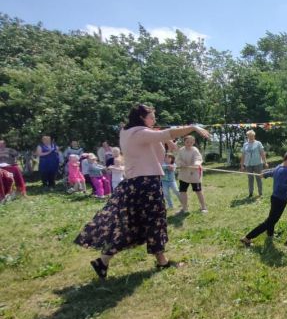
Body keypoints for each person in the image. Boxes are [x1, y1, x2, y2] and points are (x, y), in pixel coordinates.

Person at [74, 104, 210, 279]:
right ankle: (162, 261)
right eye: (151, 117)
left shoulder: (127, 131)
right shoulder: (140, 133)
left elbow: (162, 147)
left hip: (134, 183)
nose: (154, 120)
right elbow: (165, 134)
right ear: (141, 118)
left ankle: (103, 261)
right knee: (155, 221)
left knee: (130, 224)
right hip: (146, 183)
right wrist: (192, 127)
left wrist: (165, 140)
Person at [240, 151, 287, 246]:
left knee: (271, 219)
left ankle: (270, 234)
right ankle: (247, 238)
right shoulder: (285, 170)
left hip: (275, 197)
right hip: (280, 200)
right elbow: (281, 187)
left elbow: (272, 172)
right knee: (270, 221)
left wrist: (264, 174)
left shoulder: (279, 167)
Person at [176, 135, 208, 213]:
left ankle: (203, 207)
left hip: (194, 174)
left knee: (198, 191)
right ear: (184, 142)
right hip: (184, 174)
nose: (189, 143)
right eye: (187, 142)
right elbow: (178, 159)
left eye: (191, 142)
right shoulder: (181, 150)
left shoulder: (195, 150)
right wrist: (181, 163)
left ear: (193, 142)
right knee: (182, 191)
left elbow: (198, 158)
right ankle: (185, 208)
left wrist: (196, 164)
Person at [240, 130, 268, 197]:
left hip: (258, 164)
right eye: (249, 136)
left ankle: (260, 193)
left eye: (252, 136)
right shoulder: (245, 144)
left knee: (259, 178)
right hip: (248, 165)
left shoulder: (258, 143)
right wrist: (242, 165)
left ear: (254, 136)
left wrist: (265, 162)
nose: (250, 137)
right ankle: (250, 193)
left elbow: (262, 153)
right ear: (247, 136)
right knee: (250, 179)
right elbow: (243, 155)